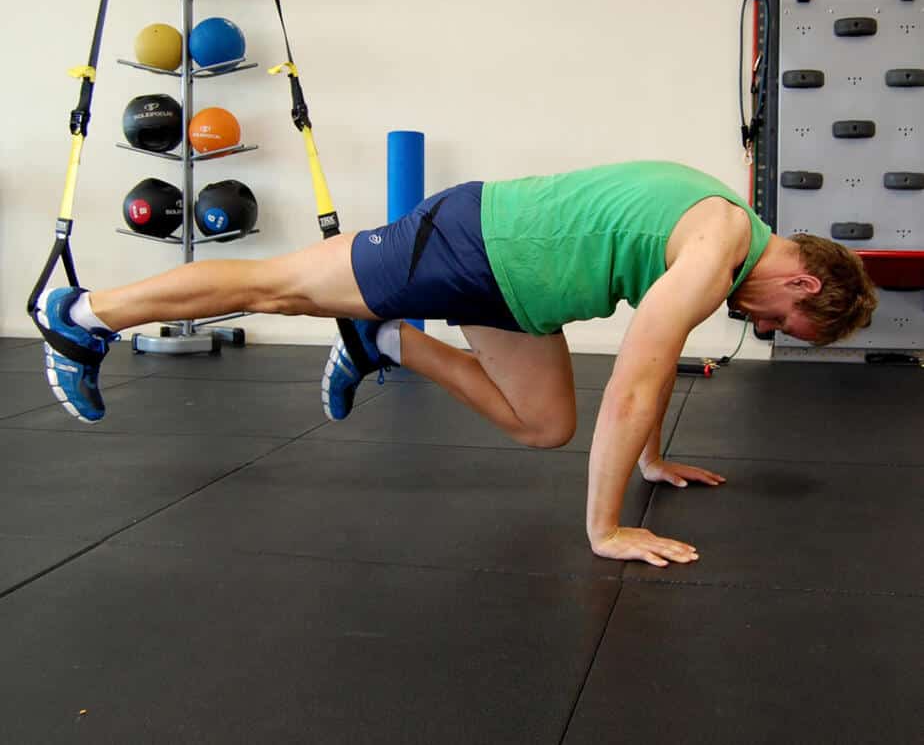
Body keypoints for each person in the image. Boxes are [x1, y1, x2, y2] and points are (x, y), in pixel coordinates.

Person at [31, 161, 878, 567]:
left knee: (545, 426)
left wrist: (653, 460)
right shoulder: (721, 240)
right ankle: (80, 314)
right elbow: (637, 375)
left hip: (518, 294)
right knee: (280, 286)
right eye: (786, 322)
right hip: (475, 242)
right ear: (801, 280)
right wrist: (605, 528)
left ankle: (384, 340)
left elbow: (655, 365)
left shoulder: (723, 244)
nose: (766, 327)